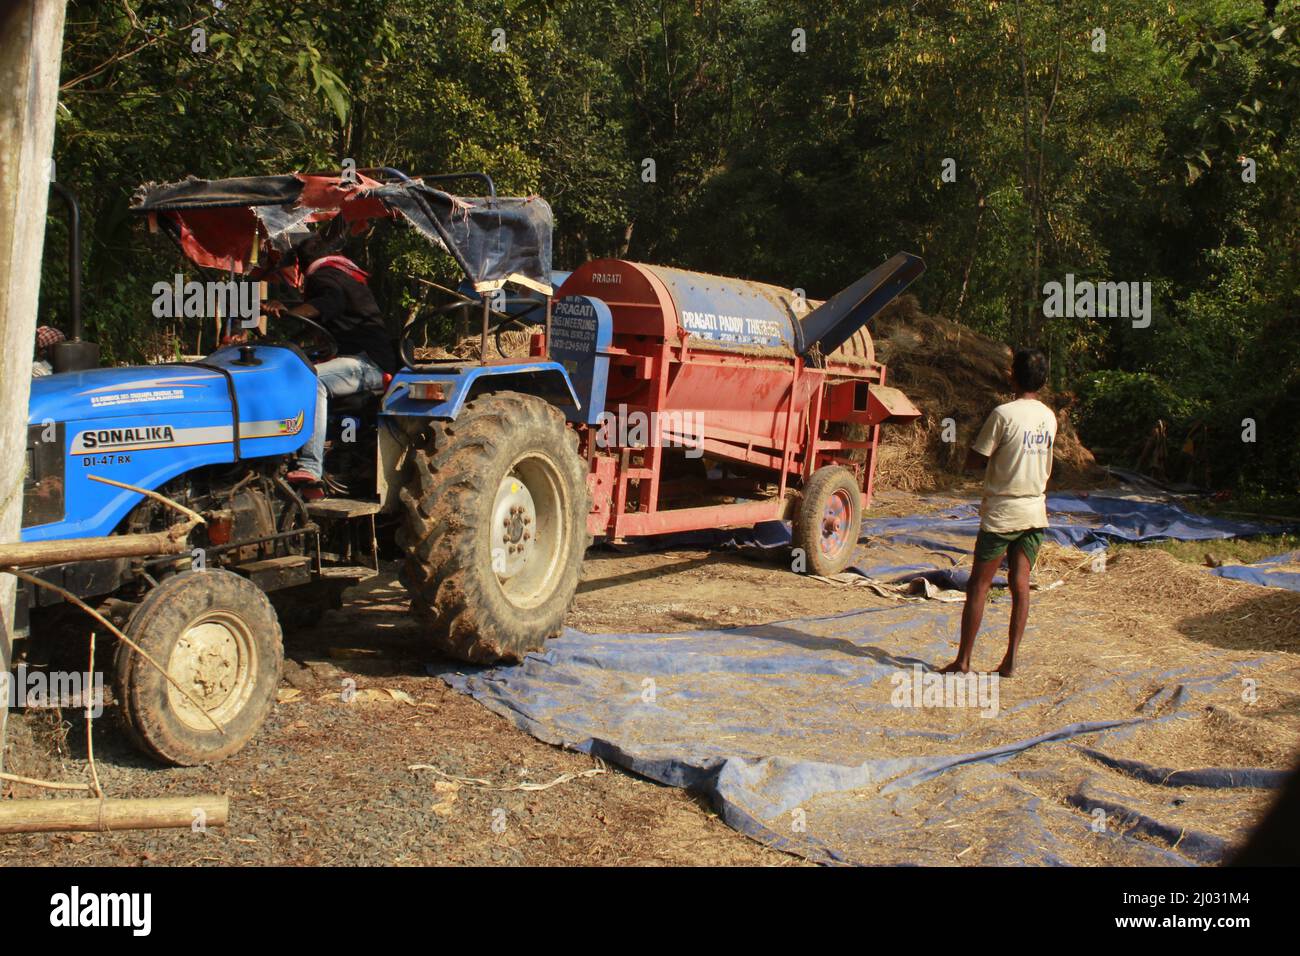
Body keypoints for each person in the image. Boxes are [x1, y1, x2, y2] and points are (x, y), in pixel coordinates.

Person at [940, 347, 1057, 677]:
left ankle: (963, 661)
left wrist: (964, 447)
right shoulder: (1048, 417)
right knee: (1021, 583)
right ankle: (1010, 661)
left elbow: (976, 459)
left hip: (1003, 512)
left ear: (1012, 375)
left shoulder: (1003, 415)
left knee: (979, 585)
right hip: (1035, 509)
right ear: (1043, 381)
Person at [263, 231, 398, 490]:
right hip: (355, 358)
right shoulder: (340, 273)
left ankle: (311, 465)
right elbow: (317, 316)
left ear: (300, 264)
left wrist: (288, 312)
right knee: (291, 370)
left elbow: (328, 304)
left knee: (309, 380)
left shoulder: (324, 277)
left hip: (369, 363)